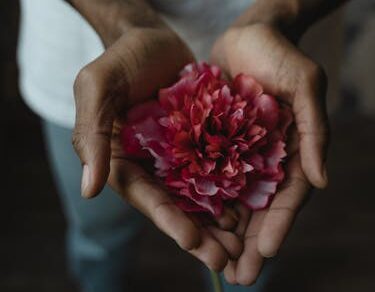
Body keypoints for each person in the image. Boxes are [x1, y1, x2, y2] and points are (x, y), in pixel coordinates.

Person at [18, 0, 348, 291]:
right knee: (99, 232)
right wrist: (123, 21)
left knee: (252, 256)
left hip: (284, 59)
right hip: (84, 52)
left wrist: (284, 11)